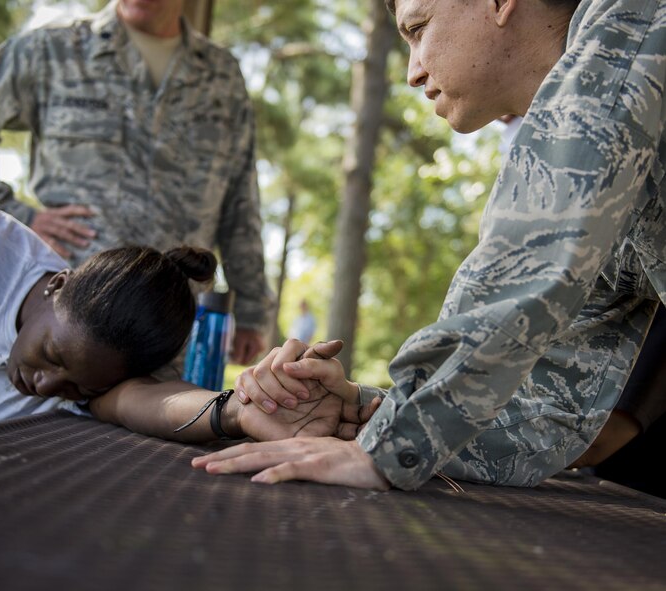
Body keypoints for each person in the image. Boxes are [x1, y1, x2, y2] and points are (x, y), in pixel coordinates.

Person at [193, 0, 665, 491]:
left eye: (419, 28)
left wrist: (391, 443)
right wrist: (365, 414)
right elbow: (553, 406)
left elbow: (529, 256)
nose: (413, 74)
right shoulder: (617, 159)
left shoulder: (636, 15)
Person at [0, 161, 363, 457]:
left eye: (70, 388)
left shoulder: (99, 376)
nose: (41, 383)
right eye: (51, 353)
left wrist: (235, 412)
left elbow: (148, 400)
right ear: (57, 283)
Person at [0, 0, 271, 367]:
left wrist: (250, 309)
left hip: (171, 337)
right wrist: (14, 216)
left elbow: (240, 198)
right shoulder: (55, 50)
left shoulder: (221, 76)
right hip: (64, 326)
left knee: (158, 424)